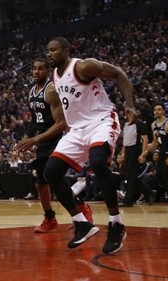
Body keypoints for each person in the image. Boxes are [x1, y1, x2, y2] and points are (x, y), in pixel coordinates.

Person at [44, 37, 134, 254]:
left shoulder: (84, 66)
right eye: (47, 50)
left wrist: (130, 105)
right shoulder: (54, 76)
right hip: (77, 130)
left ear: (66, 51)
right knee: (51, 172)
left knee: (98, 161)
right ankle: (82, 223)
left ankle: (116, 224)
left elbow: (119, 73)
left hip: (101, 121)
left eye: (53, 50)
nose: (49, 54)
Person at [15, 58, 92, 234]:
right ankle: (49, 218)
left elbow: (61, 123)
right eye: (34, 68)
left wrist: (35, 140)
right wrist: (27, 137)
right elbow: (35, 120)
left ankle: (81, 207)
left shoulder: (51, 90)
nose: (36, 72)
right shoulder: (32, 91)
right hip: (43, 141)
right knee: (40, 184)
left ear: (48, 71)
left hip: (57, 140)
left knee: (53, 178)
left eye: (41, 69)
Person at [141, 102, 168, 212]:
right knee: (159, 177)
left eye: (159, 109)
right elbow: (155, 142)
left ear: (163, 111)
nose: (156, 111)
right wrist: (146, 152)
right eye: (155, 110)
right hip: (162, 153)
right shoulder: (153, 125)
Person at [118, 108, 156, 206]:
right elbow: (125, 142)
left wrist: (143, 154)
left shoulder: (139, 124)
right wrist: (123, 154)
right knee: (131, 176)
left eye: (130, 113)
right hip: (128, 151)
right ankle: (149, 193)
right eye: (127, 114)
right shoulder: (126, 125)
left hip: (136, 150)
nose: (129, 115)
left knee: (131, 176)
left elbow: (145, 140)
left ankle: (129, 201)